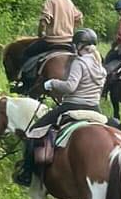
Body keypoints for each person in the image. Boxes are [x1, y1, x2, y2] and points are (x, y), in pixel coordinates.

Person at [13, 28, 106, 186]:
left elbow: (70, 87)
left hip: (73, 105)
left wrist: (51, 84)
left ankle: (27, 172)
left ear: (78, 46)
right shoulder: (100, 67)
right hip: (95, 109)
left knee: (35, 131)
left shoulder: (79, 62)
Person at [19, 0, 83, 88]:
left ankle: (24, 84)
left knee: (26, 54)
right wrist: (70, 27)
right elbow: (79, 19)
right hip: (69, 42)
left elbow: (44, 22)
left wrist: (41, 34)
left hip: (51, 41)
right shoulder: (68, 1)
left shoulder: (50, 1)